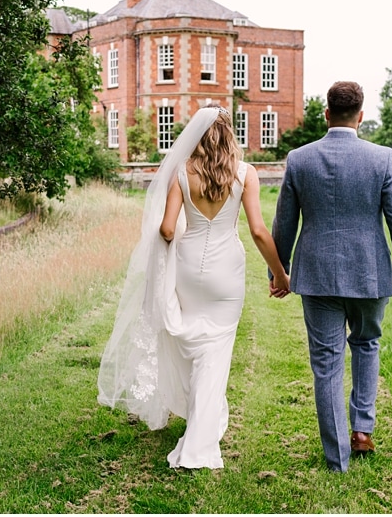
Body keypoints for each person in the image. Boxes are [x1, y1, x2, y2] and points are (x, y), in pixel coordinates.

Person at [98, 104, 290, 470]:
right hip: (226, 273)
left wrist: (168, 252)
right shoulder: (246, 174)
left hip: (187, 269)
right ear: (229, 134)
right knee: (215, 350)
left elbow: (167, 229)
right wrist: (279, 274)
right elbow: (258, 231)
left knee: (190, 342)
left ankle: (202, 415)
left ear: (197, 136)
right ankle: (200, 444)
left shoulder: (182, 175)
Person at [270, 80, 392, 473]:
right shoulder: (382, 158)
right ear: (360, 115)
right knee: (367, 344)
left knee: (326, 361)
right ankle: (362, 431)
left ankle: (337, 457)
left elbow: (284, 221)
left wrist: (278, 270)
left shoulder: (299, 159)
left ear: (326, 114)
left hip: (317, 273)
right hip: (369, 272)